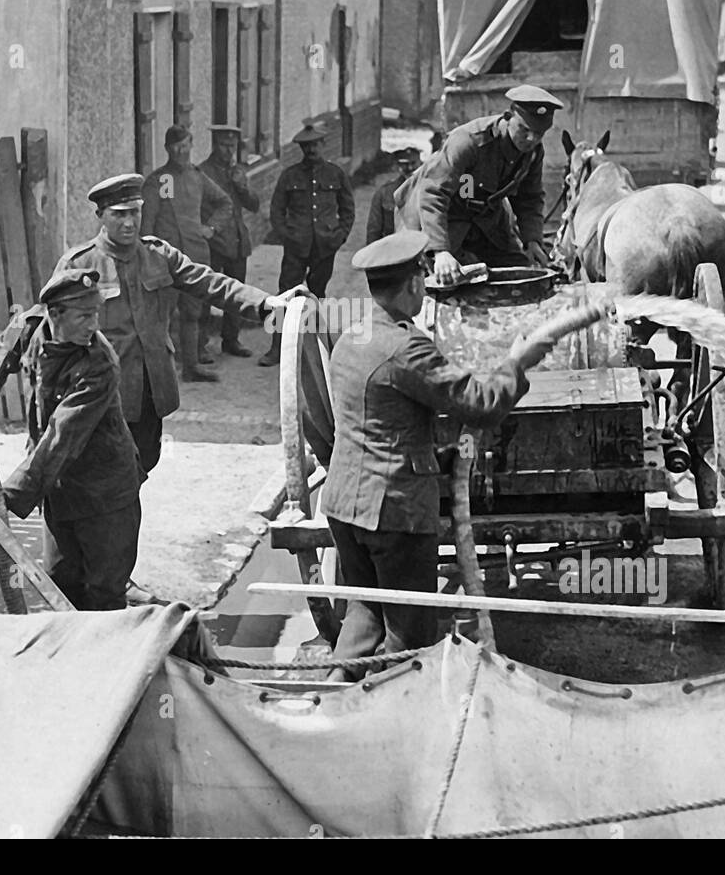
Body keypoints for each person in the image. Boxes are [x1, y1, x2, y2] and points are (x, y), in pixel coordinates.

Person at [321, 229, 610, 678]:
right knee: (408, 636)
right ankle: (389, 722)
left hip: (344, 505)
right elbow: (480, 405)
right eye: (421, 277)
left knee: (364, 614)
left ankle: (334, 699)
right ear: (414, 284)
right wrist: (518, 361)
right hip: (393, 511)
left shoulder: (352, 335)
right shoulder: (406, 347)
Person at [56, 174, 309, 474]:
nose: (129, 223)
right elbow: (52, 325)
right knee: (107, 478)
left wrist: (265, 304)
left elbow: (210, 282)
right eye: (118, 215)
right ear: (100, 216)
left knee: (142, 466)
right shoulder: (79, 265)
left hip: (151, 391)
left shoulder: (157, 254)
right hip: (106, 394)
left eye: (134, 212)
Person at [0, 268, 142, 611]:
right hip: (58, 489)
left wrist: (1, 500)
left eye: (96, 314)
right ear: (54, 314)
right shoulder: (28, 329)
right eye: (85, 316)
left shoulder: (99, 363)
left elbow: (61, 436)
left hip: (105, 496)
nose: (94, 325)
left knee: (104, 595)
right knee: (60, 587)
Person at [395, 85, 564, 287]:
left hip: (485, 221)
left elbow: (530, 198)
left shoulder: (533, 152)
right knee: (437, 282)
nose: (531, 139)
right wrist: (440, 251)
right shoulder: (469, 142)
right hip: (437, 219)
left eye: (539, 134)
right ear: (508, 117)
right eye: (524, 130)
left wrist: (532, 241)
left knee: (521, 272)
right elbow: (433, 193)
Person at [142, 124, 234, 380]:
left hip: (195, 256)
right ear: (167, 149)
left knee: (193, 313)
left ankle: (191, 368)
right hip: (165, 259)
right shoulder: (164, 180)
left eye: (185, 145)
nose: (181, 151)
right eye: (175, 146)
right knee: (163, 315)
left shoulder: (197, 176)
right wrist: (148, 257)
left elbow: (224, 202)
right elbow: (148, 222)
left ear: (192, 145)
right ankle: (160, 371)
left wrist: (211, 228)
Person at [259, 124, 355, 367]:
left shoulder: (335, 174)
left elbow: (347, 208)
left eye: (315, 144)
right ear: (302, 148)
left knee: (318, 297)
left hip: (324, 245)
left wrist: (340, 235)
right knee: (284, 297)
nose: (312, 149)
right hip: (296, 246)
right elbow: (276, 210)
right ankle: (277, 349)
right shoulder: (290, 175)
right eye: (307, 146)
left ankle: (316, 349)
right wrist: (286, 236)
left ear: (323, 145)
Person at [199, 124, 259, 358]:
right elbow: (200, 209)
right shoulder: (202, 172)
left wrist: (241, 187)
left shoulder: (238, 171)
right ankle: (200, 345)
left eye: (232, 146)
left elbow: (253, 205)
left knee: (235, 295)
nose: (228, 151)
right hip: (214, 244)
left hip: (237, 243)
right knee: (205, 294)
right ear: (214, 145)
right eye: (224, 145)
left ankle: (231, 340)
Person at [365, 147, 422, 245]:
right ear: (397, 166)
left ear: (420, 164)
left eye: (413, 163)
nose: (410, 168)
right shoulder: (384, 193)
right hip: (393, 249)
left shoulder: (429, 191)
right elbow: (374, 230)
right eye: (404, 165)